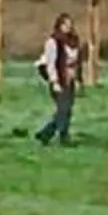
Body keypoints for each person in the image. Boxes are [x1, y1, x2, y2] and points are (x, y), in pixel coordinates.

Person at [32, 14, 83, 146]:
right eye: (65, 25)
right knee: (63, 109)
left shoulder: (74, 41)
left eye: (70, 25)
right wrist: (54, 82)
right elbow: (51, 63)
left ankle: (45, 134)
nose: (68, 27)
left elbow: (78, 62)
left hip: (70, 79)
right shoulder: (53, 42)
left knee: (66, 110)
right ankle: (63, 137)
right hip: (59, 79)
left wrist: (78, 79)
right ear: (59, 26)